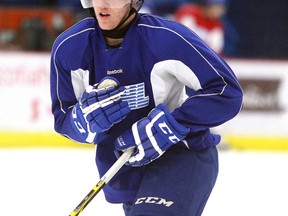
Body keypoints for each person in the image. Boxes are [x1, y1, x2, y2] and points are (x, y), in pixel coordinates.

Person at [50, 0, 243, 215]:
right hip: (125, 167)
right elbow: (63, 120)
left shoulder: (166, 38)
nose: (102, 4)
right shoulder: (69, 47)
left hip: (181, 155)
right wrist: (83, 122)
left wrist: (171, 125)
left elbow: (226, 92)